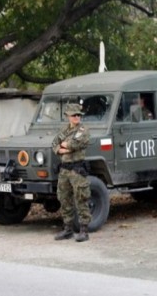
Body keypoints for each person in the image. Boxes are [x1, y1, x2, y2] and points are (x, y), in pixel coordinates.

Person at [52, 103, 92, 242]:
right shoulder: (64, 130)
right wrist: (62, 148)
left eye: (78, 115)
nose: (76, 117)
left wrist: (65, 145)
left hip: (77, 169)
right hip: (64, 169)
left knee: (81, 198)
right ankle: (67, 229)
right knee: (64, 198)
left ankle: (84, 230)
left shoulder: (83, 130)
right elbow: (54, 144)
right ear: (68, 116)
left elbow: (77, 144)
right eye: (74, 115)